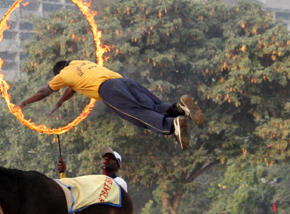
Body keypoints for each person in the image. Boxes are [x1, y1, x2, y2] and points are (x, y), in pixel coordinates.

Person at [16, 60, 204, 150]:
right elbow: (72, 88)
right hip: (124, 81)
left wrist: (24, 103)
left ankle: (172, 125)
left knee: (137, 114)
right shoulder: (81, 63)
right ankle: (180, 108)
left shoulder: (63, 75)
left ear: (58, 71)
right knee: (153, 106)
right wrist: (61, 101)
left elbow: (43, 92)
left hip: (108, 90)